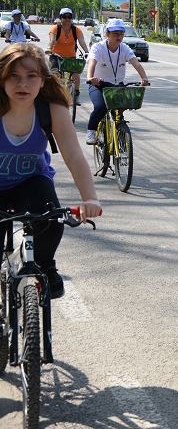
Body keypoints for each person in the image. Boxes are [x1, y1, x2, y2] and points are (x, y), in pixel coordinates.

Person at [0, 43, 102, 299]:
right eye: (14, 75)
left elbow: (74, 156)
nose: (22, 83)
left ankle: (44, 265)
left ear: (42, 81)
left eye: (31, 76)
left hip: (31, 181)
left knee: (50, 221)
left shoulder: (51, 109)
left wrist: (90, 198)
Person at [84, 18, 150, 145]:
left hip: (116, 86)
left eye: (121, 34)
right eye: (115, 34)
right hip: (98, 85)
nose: (119, 37)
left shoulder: (124, 48)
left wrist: (144, 78)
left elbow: (136, 63)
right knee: (101, 107)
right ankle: (91, 131)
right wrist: (90, 78)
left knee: (120, 111)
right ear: (107, 34)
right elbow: (92, 62)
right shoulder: (98, 47)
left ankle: (120, 135)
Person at [47, 8, 88, 104]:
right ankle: (52, 95)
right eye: (64, 17)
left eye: (69, 17)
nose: (67, 19)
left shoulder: (76, 30)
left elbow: (82, 42)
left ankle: (76, 95)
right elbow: (52, 41)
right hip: (56, 56)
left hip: (70, 57)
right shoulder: (55, 28)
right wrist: (49, 49)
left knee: (76, 75)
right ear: (60, 18)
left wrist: (86, 51)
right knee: (54, 75)